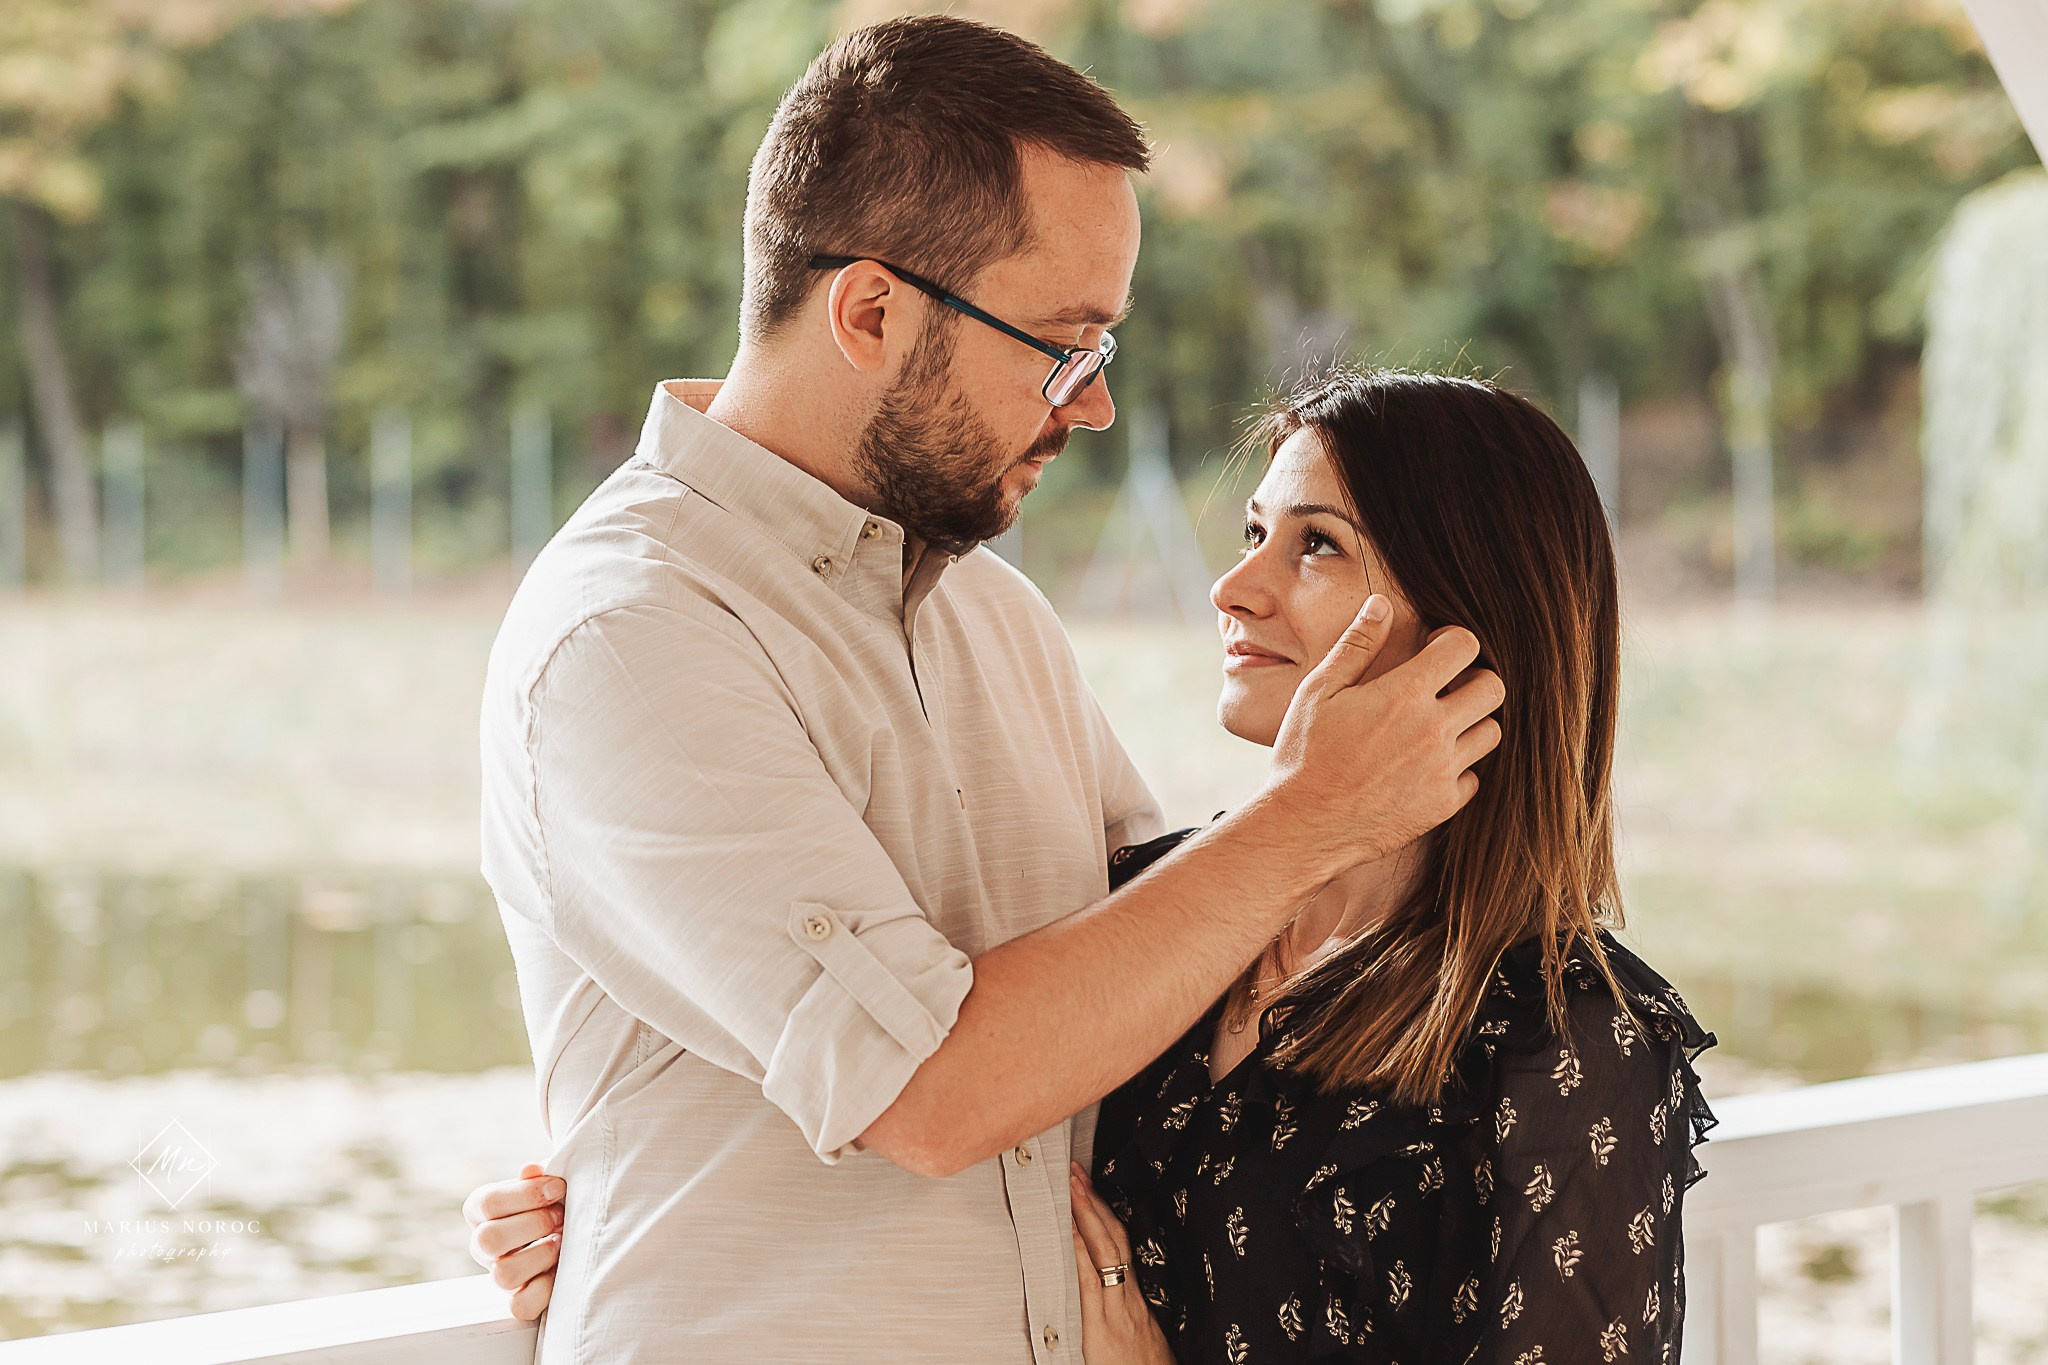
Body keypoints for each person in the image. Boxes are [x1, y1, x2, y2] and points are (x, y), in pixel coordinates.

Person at [470, 15, 1502, 1365]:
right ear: (872, 312)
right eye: (1061, 347)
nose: (1092, 409)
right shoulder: (630, 639)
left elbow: (1183, 971)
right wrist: (1307, 815)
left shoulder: (992, 614)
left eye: (1103, 352)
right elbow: (934, 1090)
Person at [473, 368, 1716, 1362]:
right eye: (1250, 533)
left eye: (1317, 547)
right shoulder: (1153, 925)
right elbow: (945, 1062)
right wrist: (616, 1203)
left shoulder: (1564, 1041)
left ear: (1471, 619)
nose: (1235, 587)